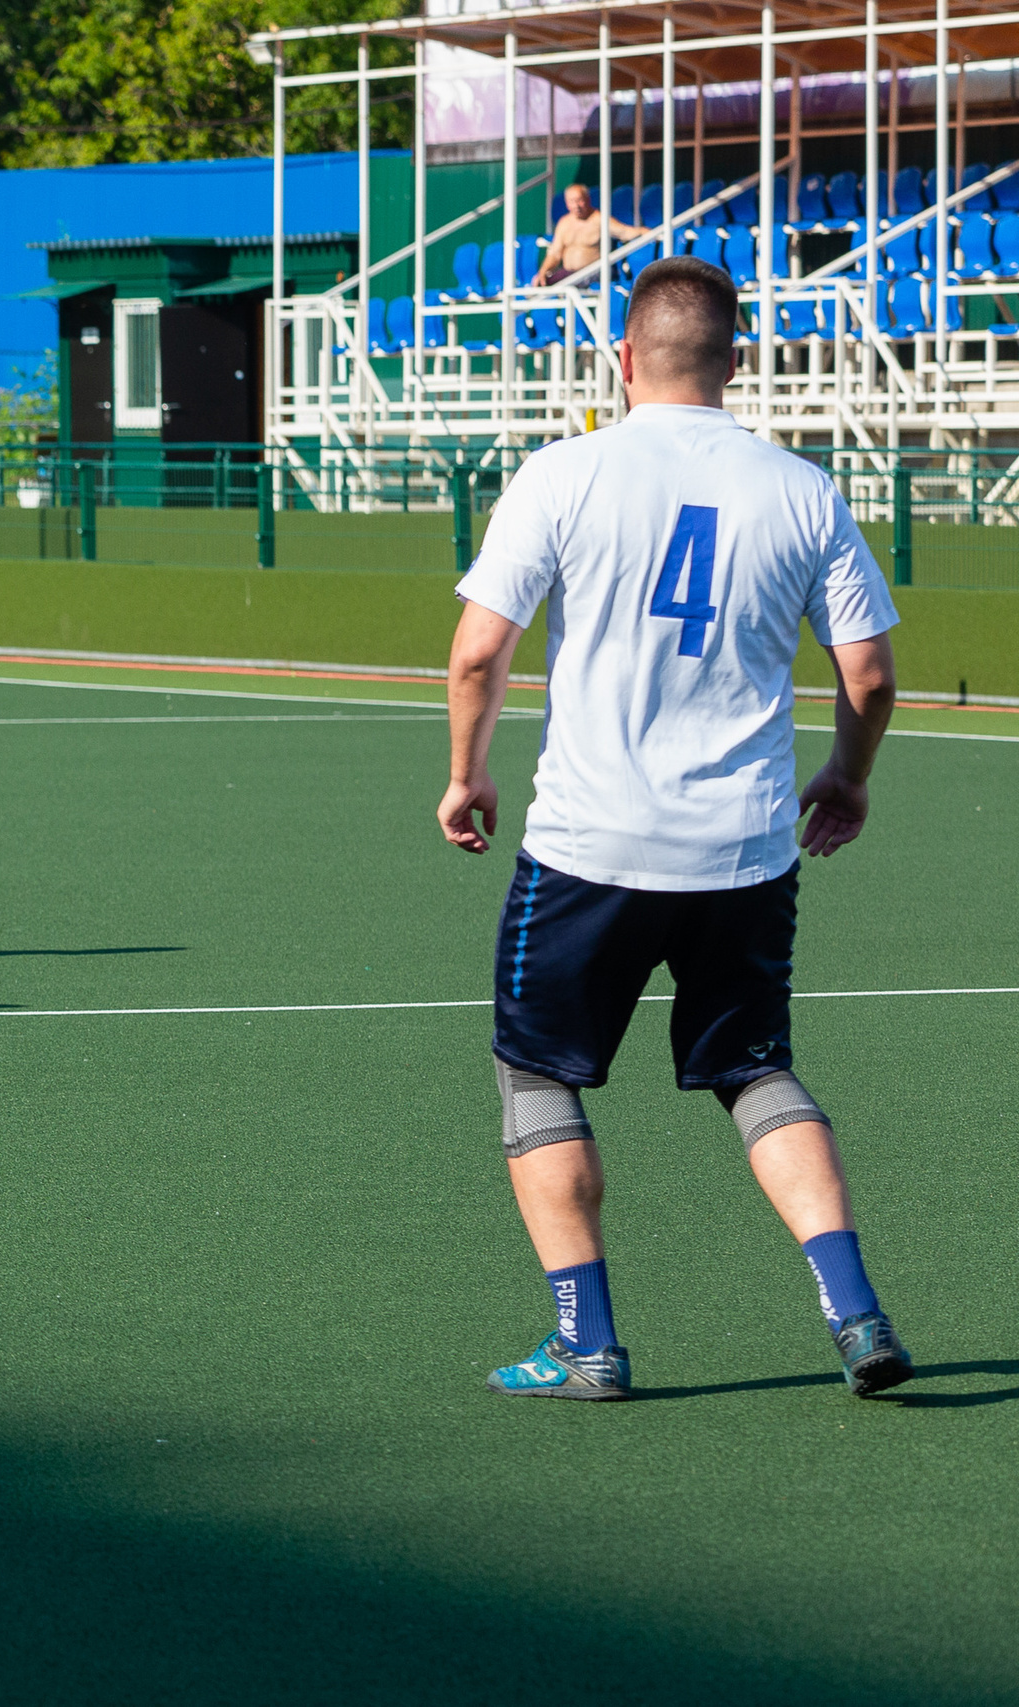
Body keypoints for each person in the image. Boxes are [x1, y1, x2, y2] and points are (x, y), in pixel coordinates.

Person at [436, 256, 913, 1402]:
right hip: (744, 851)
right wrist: (844, 779)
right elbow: (870, 674)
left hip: (588, 849)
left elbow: (476, 653)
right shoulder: (799, 489)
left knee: (536, 1077)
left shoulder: (561, 473)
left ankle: (586, 1344)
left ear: (620, 360)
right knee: (755, 1072)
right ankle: (853, 1310)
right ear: (736, 362)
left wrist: (465, 776)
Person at [535, 182, 649, 284]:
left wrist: (643, 231)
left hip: (593, 273)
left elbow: (624, 232)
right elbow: (555, 253)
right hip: (568, 274)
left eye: (579, 200)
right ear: (566, 203)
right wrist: (543, 272)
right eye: (572, 201)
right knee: (540, 284)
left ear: (588, 199)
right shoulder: (564, 223)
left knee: (563, 283)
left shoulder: (599, 219)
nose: (577, 206)